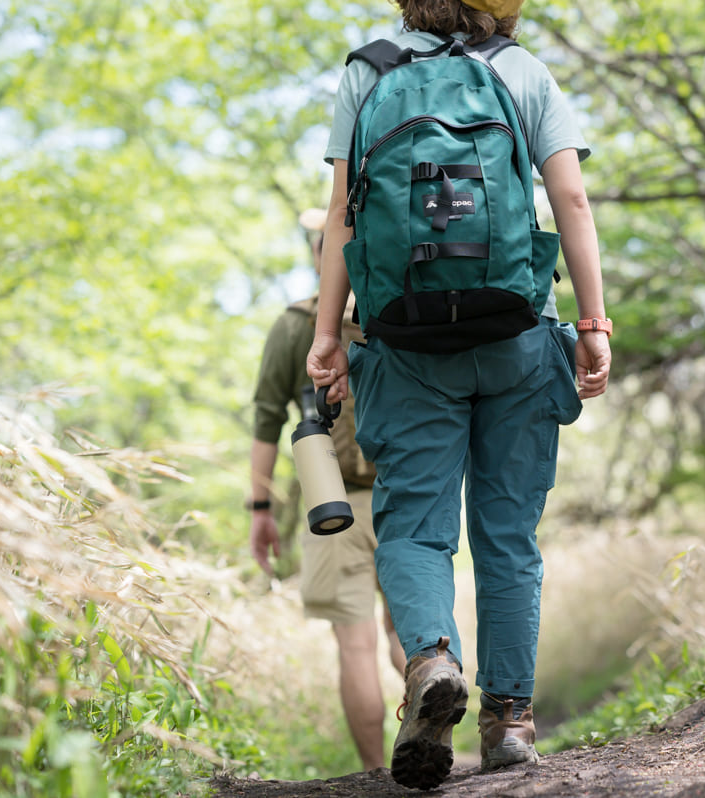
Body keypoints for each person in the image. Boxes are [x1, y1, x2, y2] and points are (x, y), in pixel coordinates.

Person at [307, 0, 612, 789]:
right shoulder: (523, 71)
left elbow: (342, 216)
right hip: (514, 332)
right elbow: (571, 201)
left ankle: (433, 659)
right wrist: (593, 321)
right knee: (508, 538)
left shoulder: (367, 72)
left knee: (413, 529)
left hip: (406, 344)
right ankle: (509, 722)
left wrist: (328, 331)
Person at [249, 208, 407, 772]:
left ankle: (376, 777)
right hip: (403, 494)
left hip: (330, 503)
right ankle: (428, 736)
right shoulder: (398, 313)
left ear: (320, 259)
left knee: (356, 645)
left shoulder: (296, 325)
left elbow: (268, 421)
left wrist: (260, 508)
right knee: (409, 635)